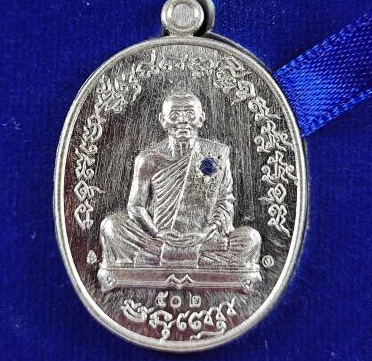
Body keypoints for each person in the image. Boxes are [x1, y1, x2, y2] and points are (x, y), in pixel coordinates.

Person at [99, 90, 261, 269]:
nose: (183, 121)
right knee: (112, 227)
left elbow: (225, 201)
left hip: (204, 236)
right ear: (163, 120)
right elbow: (136, 206)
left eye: (190, 114)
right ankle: (196, 255)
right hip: (160, 237)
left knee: (250, 239)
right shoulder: (148, 159)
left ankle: (163, 257)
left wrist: (209, 231)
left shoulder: (216, 154)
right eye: (174, 115)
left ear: (201, 118)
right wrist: (157, 233)